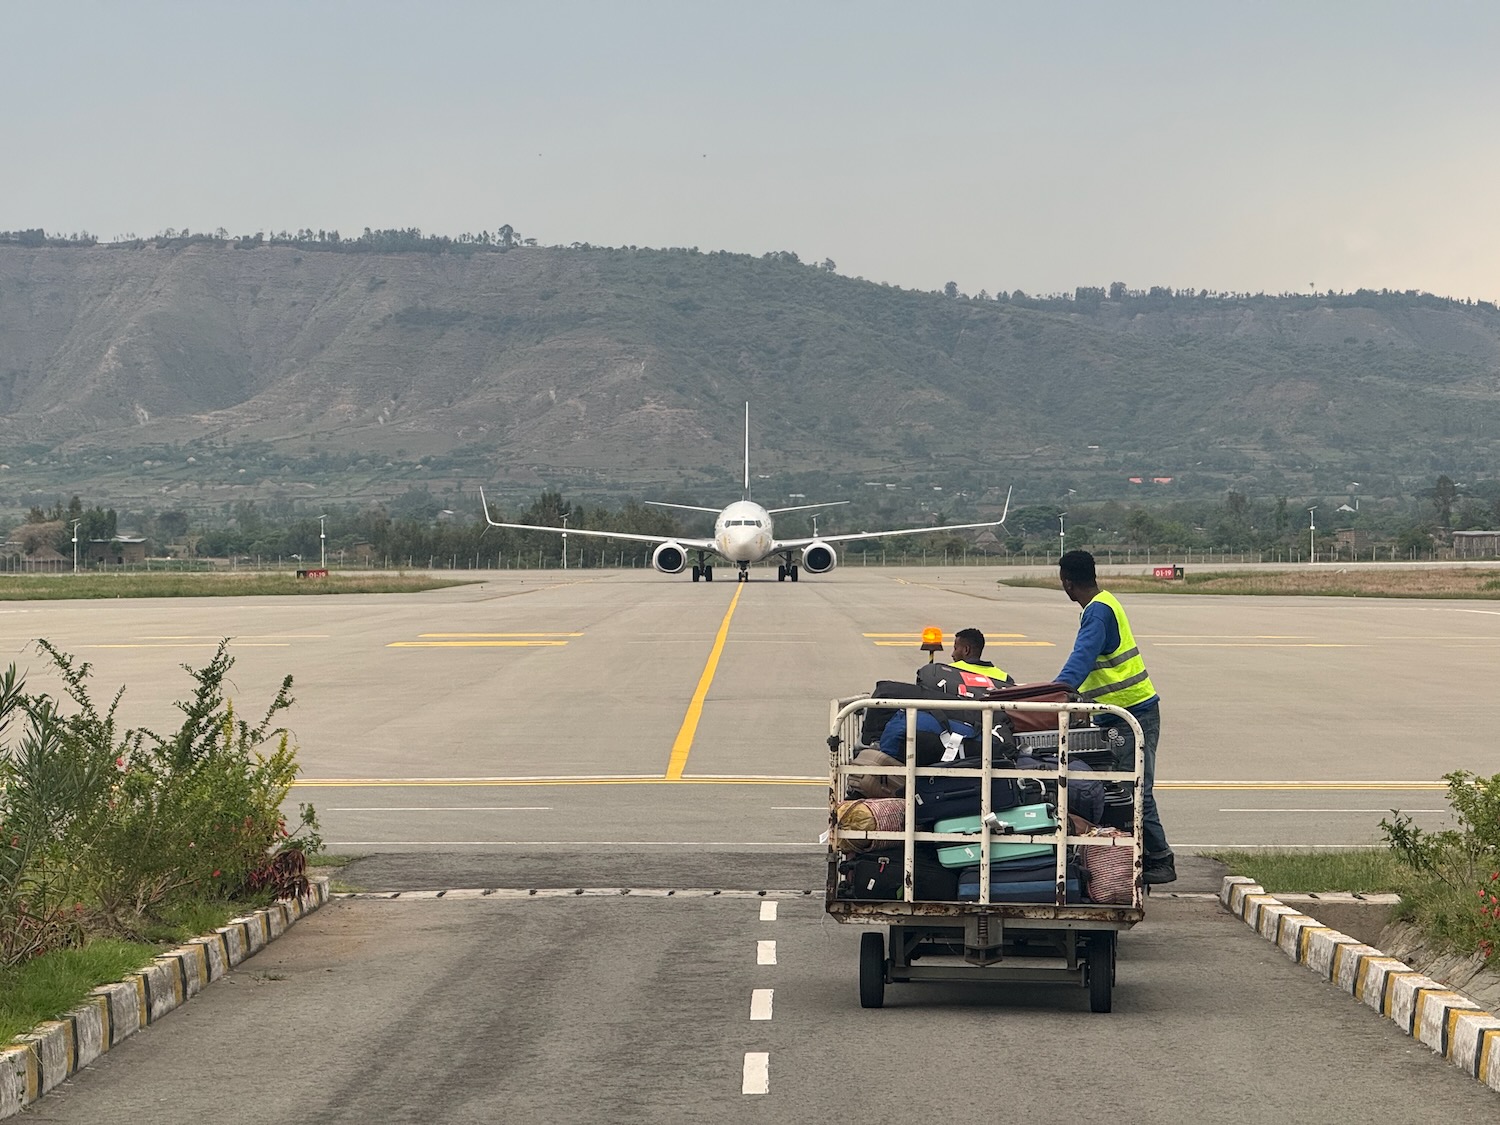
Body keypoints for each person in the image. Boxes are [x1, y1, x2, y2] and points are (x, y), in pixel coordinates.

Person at [1055, 550, 1176, 884]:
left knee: (1135, 788)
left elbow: (1081, 659)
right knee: (1129, 787)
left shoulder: (1097, 613)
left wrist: (1054, 692)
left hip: (1132, 714)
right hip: (1122, 714)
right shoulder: (1105, 603)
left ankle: (1160, 858)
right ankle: (1141, 854)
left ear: (1067, 583)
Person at [947, 627, 1015, 685]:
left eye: (955, 648)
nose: (952, 654)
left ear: (966, 650)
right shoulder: (1004, 678)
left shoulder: (949, 671)